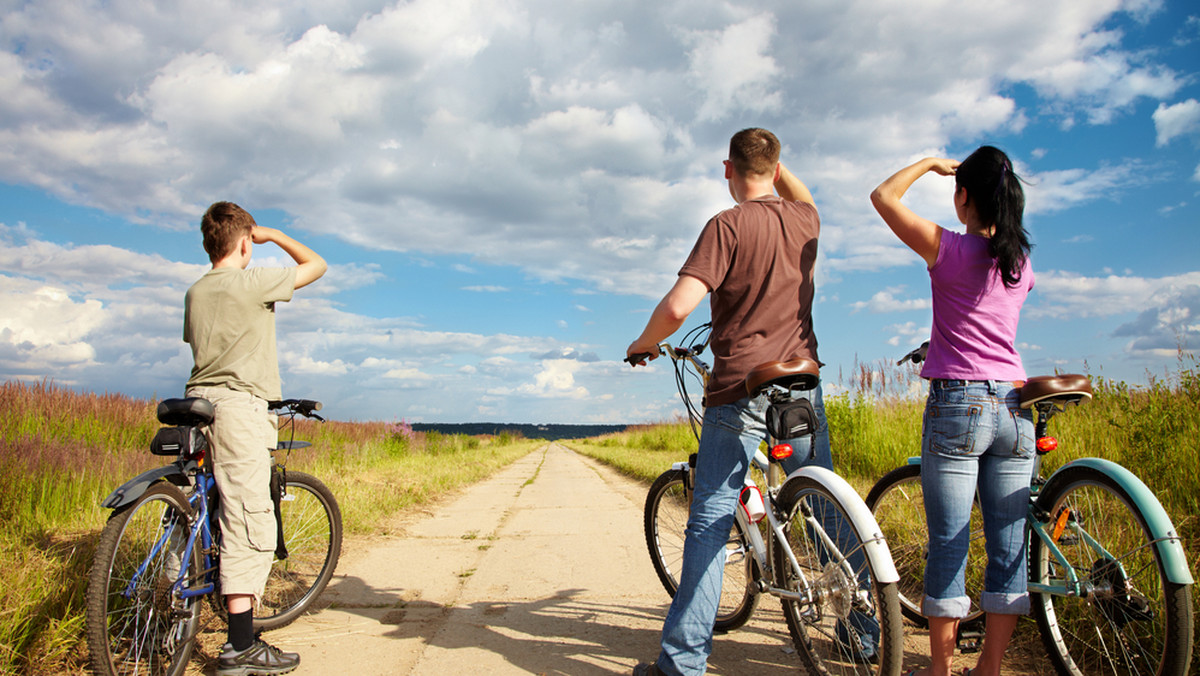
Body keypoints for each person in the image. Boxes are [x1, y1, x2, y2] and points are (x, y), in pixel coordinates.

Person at [627, 128, 840, 675]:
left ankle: (682, 664)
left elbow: (679, 306)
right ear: (775, 168)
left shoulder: (726, 225)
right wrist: (777, 165)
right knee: (826, 507)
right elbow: (805, 197)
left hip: (740, 387)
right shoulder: (805, 220)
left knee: (709, 521)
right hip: (802, 385)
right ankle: (862, 633)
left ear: (728, 169)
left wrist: (643, 343)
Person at [870, 146, 1035, 676]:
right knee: (1008, 549)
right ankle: (988, 669)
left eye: (957, 191)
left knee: (949, 542)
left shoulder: (948, 249)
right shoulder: (1020, 264)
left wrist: (929, 162)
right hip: (1014, 405)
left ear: (964, 197)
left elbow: (883, 196)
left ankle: (940, 671)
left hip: (958, 404)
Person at [183, 201, 327, 676]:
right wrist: (275, 234)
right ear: (244, 241)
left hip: (195, 403)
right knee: (249, 520)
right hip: (237, 407)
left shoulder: (195, 291)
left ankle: (176, 579)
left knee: (201, 505)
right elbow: (317, 266)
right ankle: (240, 646)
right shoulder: (250, 280)